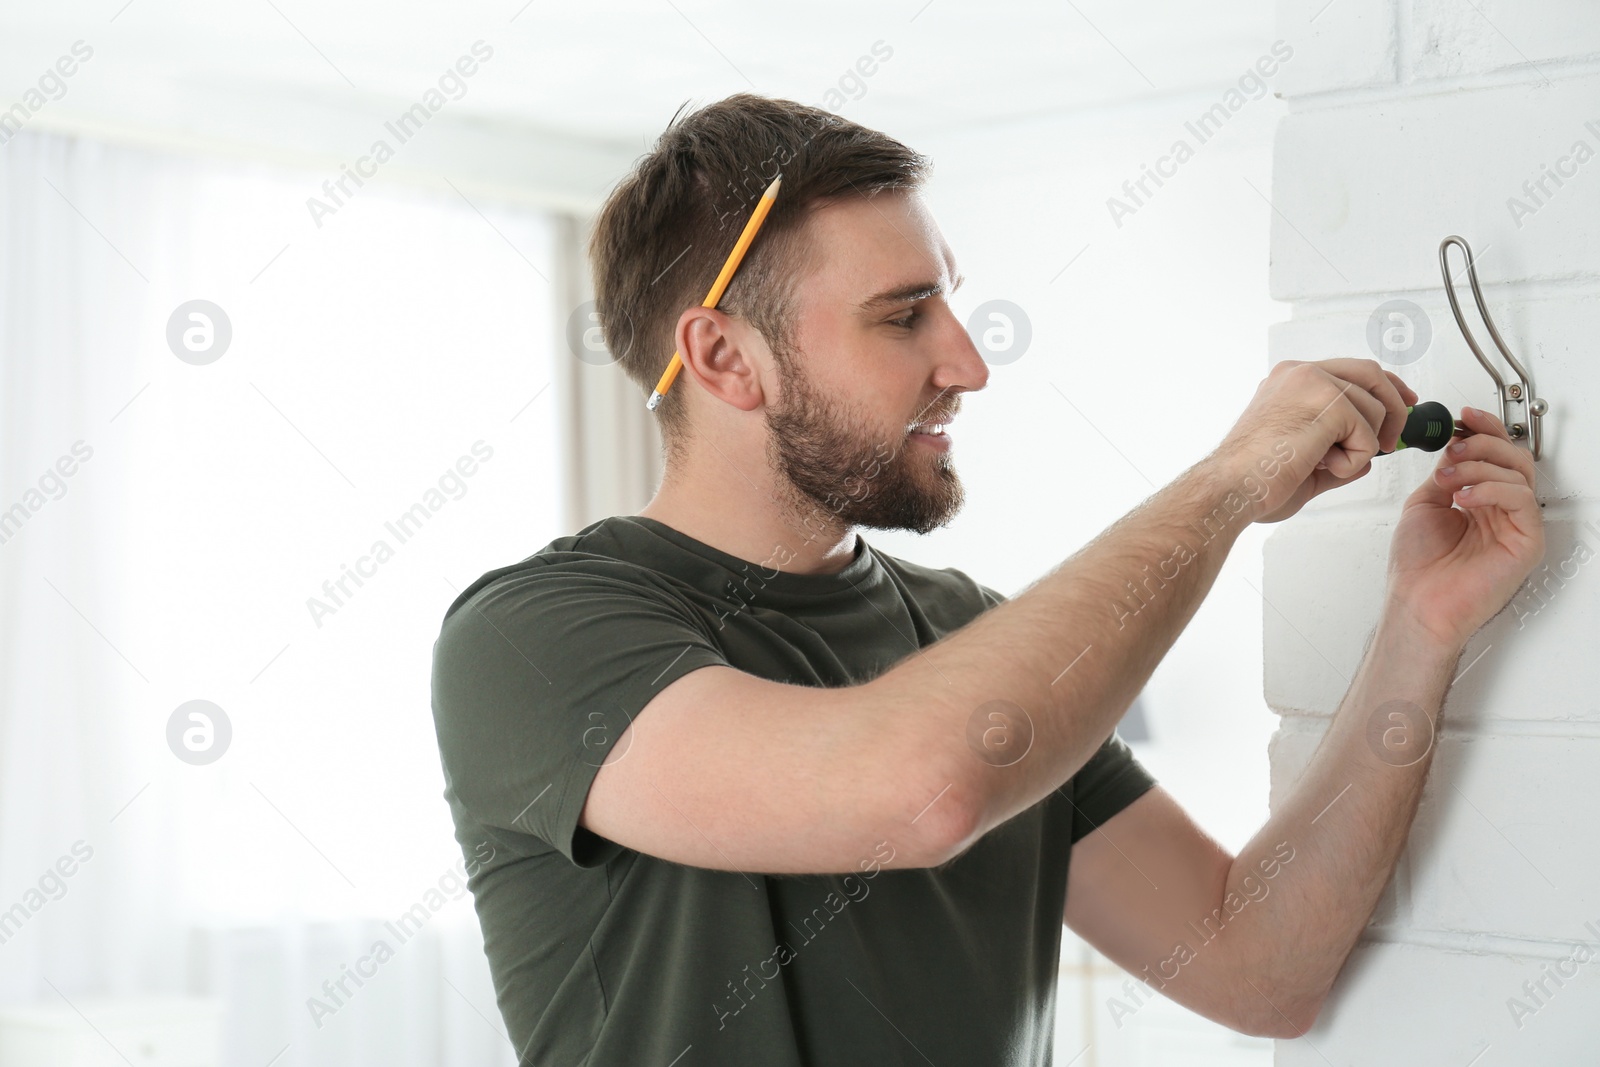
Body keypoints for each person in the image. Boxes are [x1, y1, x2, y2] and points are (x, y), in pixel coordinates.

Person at [429, 93, 1544, 1066]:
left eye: (949, 303)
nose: (966, 361)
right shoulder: (534, 636)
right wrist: (1229, 481)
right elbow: (919, 790)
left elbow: (1258, 969)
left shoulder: (970, 634)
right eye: (902, 314)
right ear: (725, 357)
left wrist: (1418, 626)